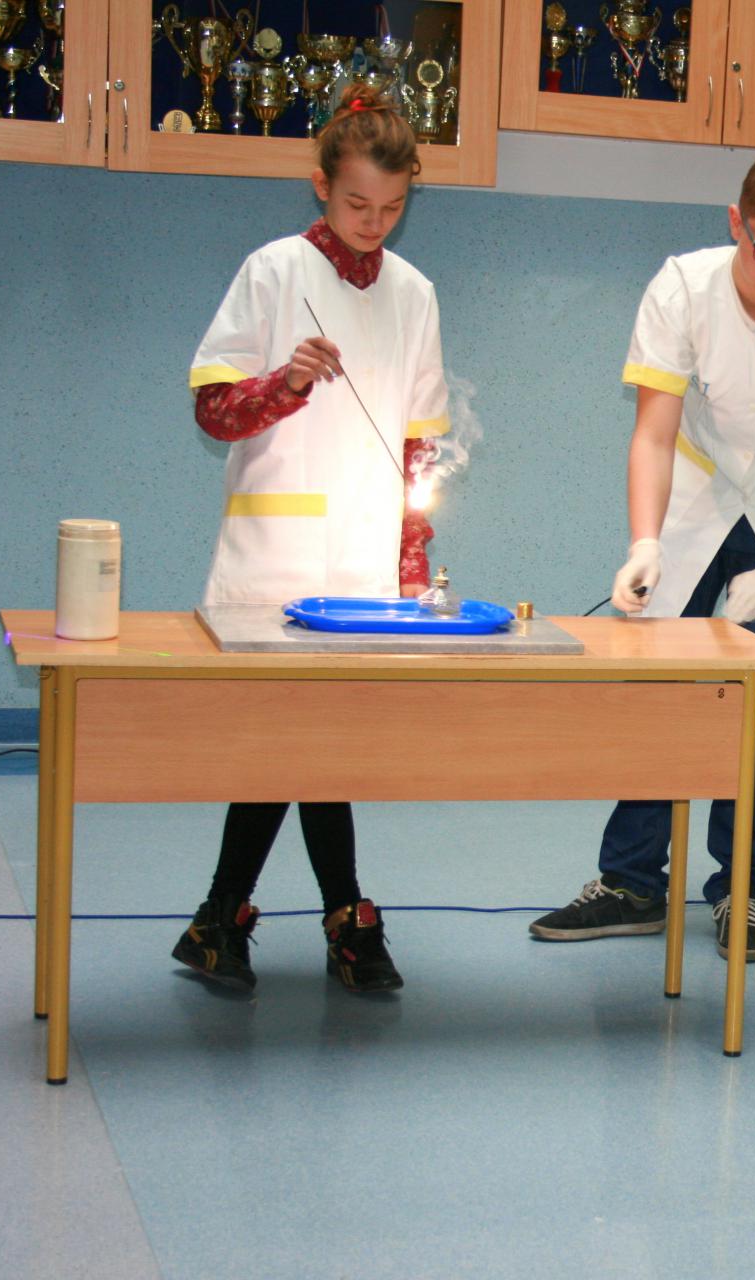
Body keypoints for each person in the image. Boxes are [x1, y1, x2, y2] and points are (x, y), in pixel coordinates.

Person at [529, 143, 755, 963]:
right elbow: (654, 433)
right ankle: (631, 884)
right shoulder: (682, 286)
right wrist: (646, 541)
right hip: (693, 491)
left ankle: (739, 886)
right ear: (736, 223)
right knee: (659, 688)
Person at [174, 84, 448, 994]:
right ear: (322, 186)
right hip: (275, 557)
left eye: (393, 207)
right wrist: (285, 383)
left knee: (320, 741)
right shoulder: (271, 271)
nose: (374, 223)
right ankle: (334, 919)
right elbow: (214, 411)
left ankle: (228, 919)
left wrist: (412, 571)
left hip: (364, 562)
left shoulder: (415, 294)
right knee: (292, 740)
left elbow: (420, 450)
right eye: (357, 203)